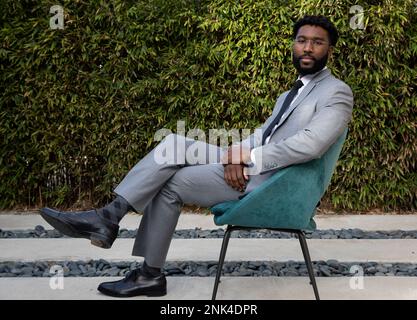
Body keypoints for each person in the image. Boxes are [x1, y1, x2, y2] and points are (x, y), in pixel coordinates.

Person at [40, 15, 353, 298]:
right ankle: (110, 218)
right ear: (293, 45)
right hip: (254, 168)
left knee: (171, 183)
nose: (308, 47)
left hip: (274, 182)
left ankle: (144, 268)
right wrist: (235, 155)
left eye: (317, 42)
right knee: (174, 144)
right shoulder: (289, 94)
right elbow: (260, 136)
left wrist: (248, 160)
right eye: (302, 40)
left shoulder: (336, 91)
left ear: (329, 50)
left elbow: (311, 144)